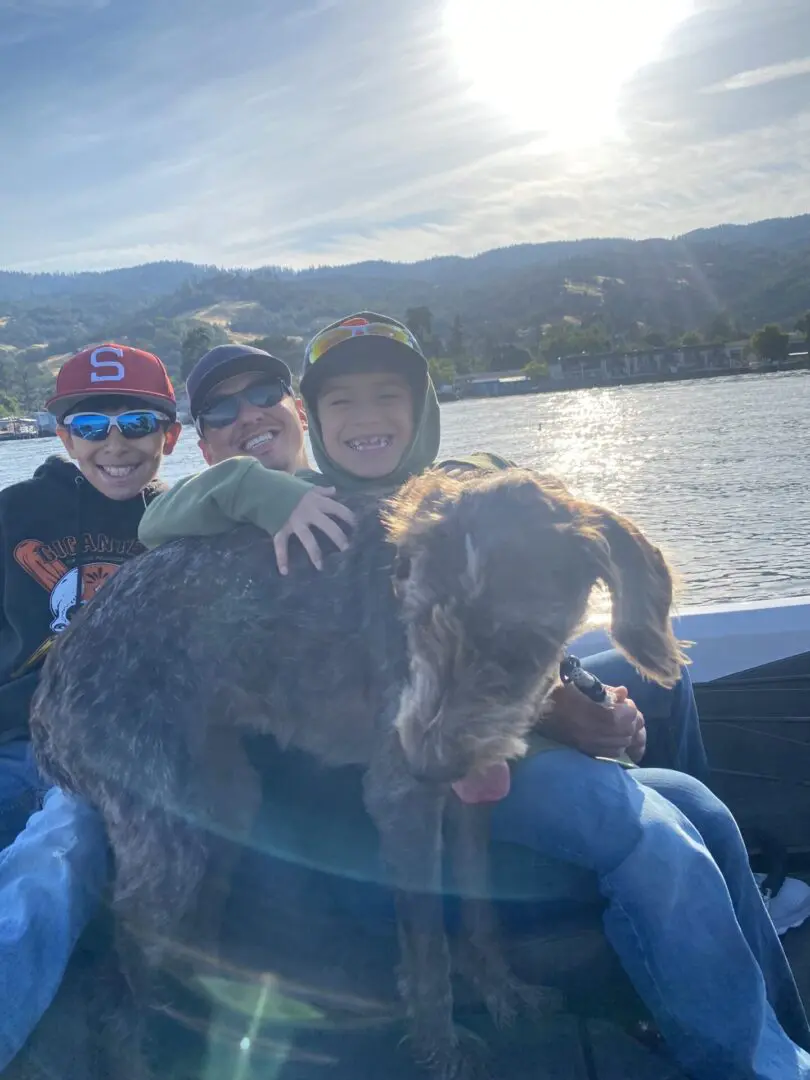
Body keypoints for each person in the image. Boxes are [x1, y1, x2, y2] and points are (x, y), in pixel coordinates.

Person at [136, 317, 810, 1079]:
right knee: (657, 831)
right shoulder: (312, 507)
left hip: (496, 715)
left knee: (696, 790)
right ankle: (755, 1060)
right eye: (341, 405)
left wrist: (586, 691)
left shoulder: (466, 477)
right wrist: (567, 709)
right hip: (436, 747)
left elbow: (532, 597)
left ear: (421, 404)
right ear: (316, 422)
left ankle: (771, 1029)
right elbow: (159, 517)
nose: (364, 420)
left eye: (387, 396)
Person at [0, 344, 180, 1067]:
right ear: (63, 435)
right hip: (14, 738)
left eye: (137, 422)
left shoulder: (183, 527)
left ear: (169, 436)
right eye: (91, 425)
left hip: (103, 759)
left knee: (61, 847)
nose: (116, 444)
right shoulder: (15, 512)